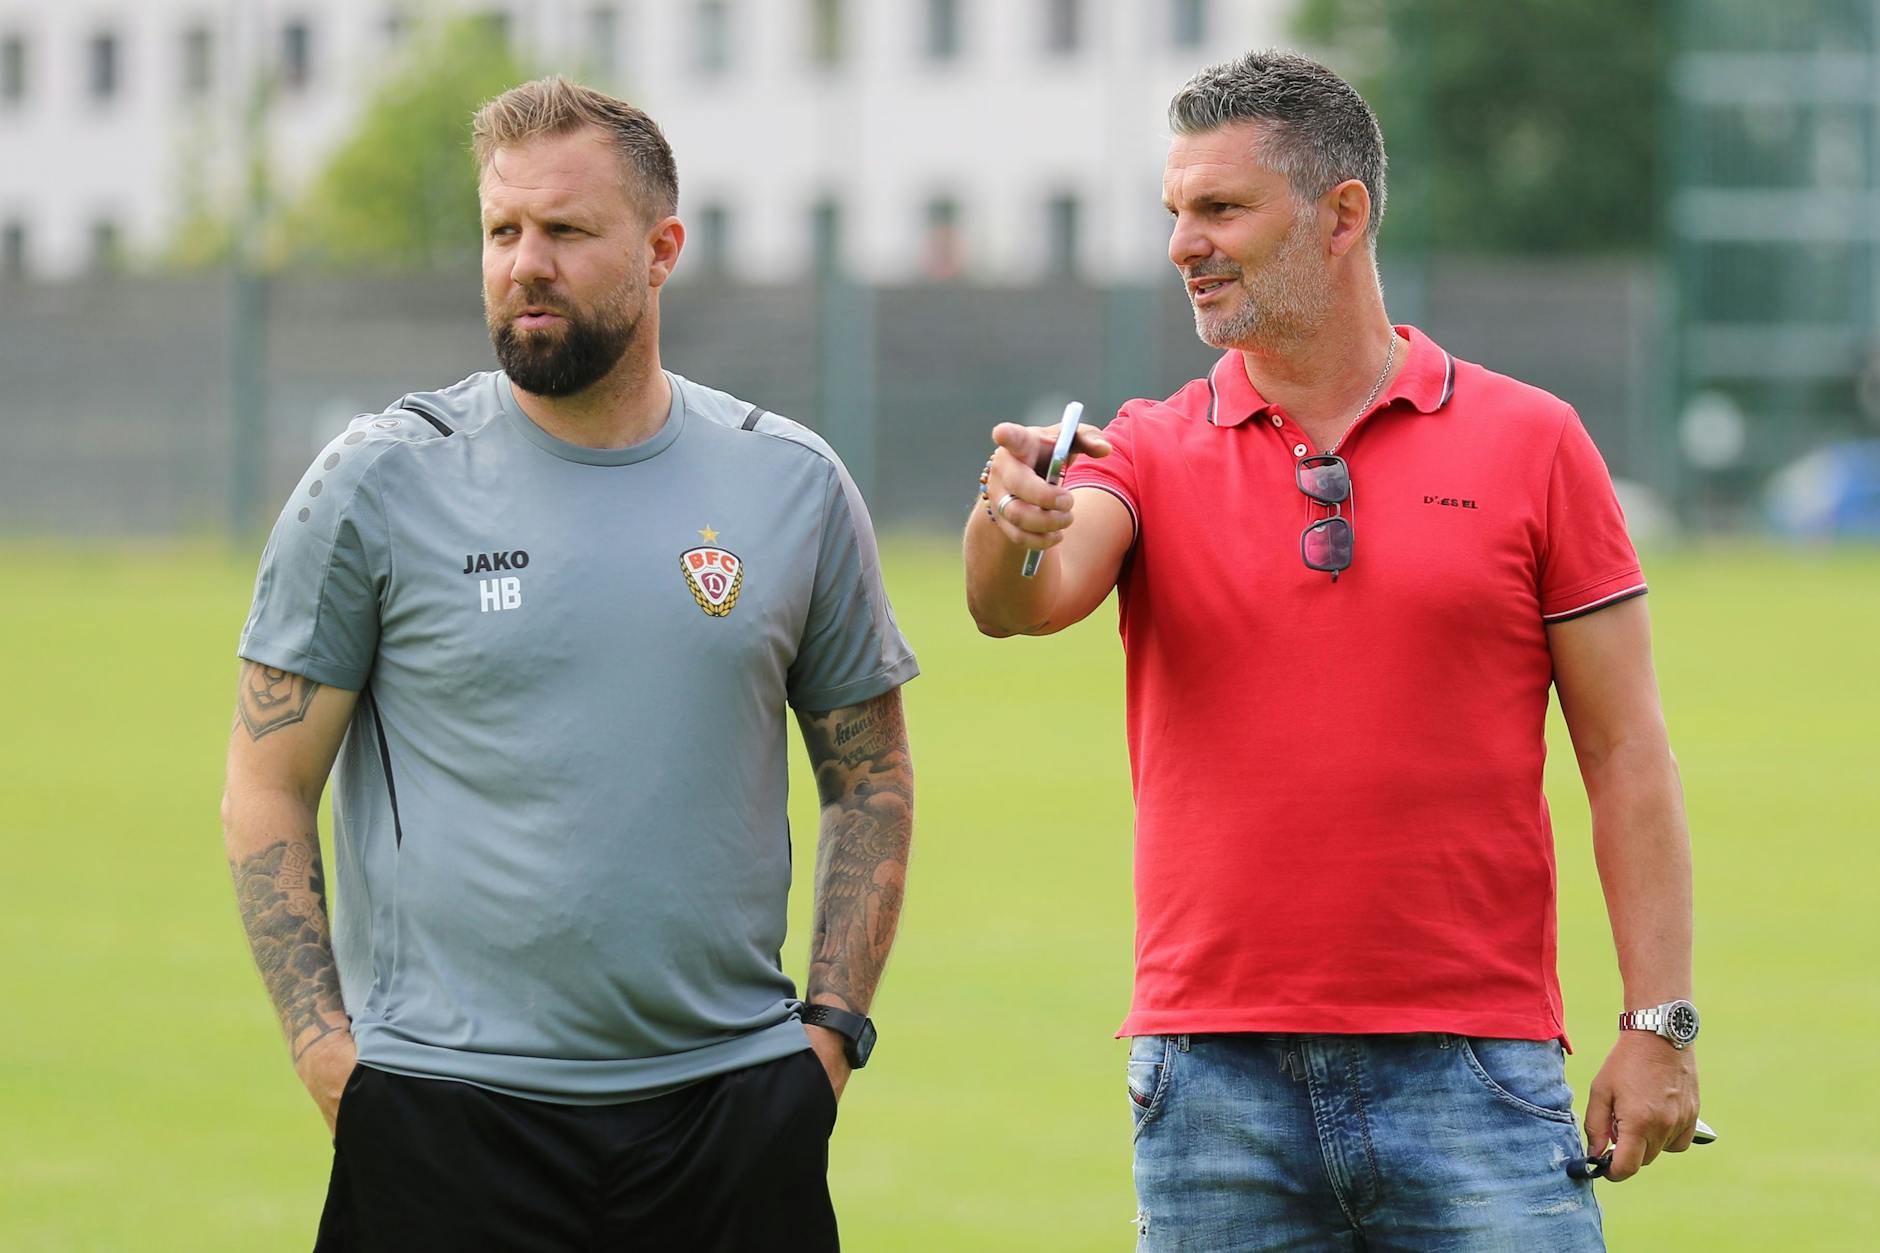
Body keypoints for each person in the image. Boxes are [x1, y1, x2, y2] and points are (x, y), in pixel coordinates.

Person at [963, 50, 1700, 1251]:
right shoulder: (1141, 447)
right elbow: (1020, 603)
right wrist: (1007, 521)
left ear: (1340, 214)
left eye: (1219, 208)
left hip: (1476, 1069)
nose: (1182, 244)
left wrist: (1656, 1023)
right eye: (1173, 212)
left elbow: (1625, 752)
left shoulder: (1535, 441)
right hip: (1211, 1083)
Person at [221, 77, 917, 1252]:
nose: (524, 264)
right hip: (441, 1116)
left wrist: (829, 1036)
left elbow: (872, 779)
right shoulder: (376, 480)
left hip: (732, 1114)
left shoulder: (790, 483)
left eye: (565, 230)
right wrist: (327, 1053)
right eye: (501, 231)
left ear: (661, 250)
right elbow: (265, 779)